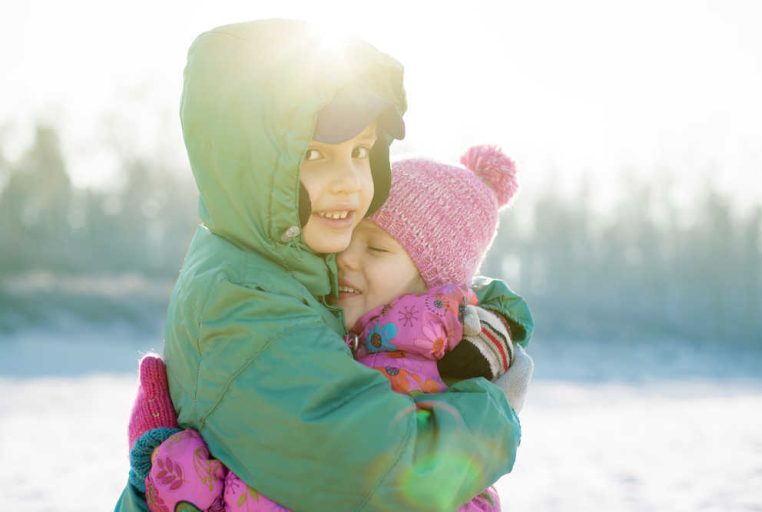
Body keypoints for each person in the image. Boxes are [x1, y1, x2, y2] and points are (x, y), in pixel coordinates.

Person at [115, 19, 534, 512]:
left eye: (360, 151)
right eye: (314, 154)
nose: (349, 183)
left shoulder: (290, 257)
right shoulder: (247, 305)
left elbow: (442, 276)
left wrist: (496, 320)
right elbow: (385, 474)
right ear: (254, 164)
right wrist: (496, 414)